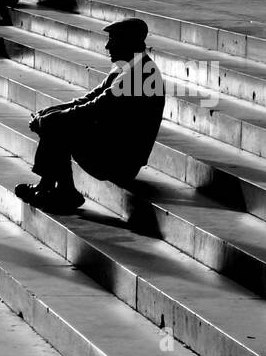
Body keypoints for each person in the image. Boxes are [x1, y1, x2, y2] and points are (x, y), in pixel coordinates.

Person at [15, 18, 165, 214]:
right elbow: (89, 98)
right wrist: (50, 112)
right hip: (113, 144)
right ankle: (49, 187)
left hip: (121, 160)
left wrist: (51, 119)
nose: (107, 45)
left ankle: (61, 190)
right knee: (56, 120)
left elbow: (96, 108)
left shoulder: (137, 76)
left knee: (59, 125)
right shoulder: (129, 67)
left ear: (129, 42)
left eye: (113, 39)